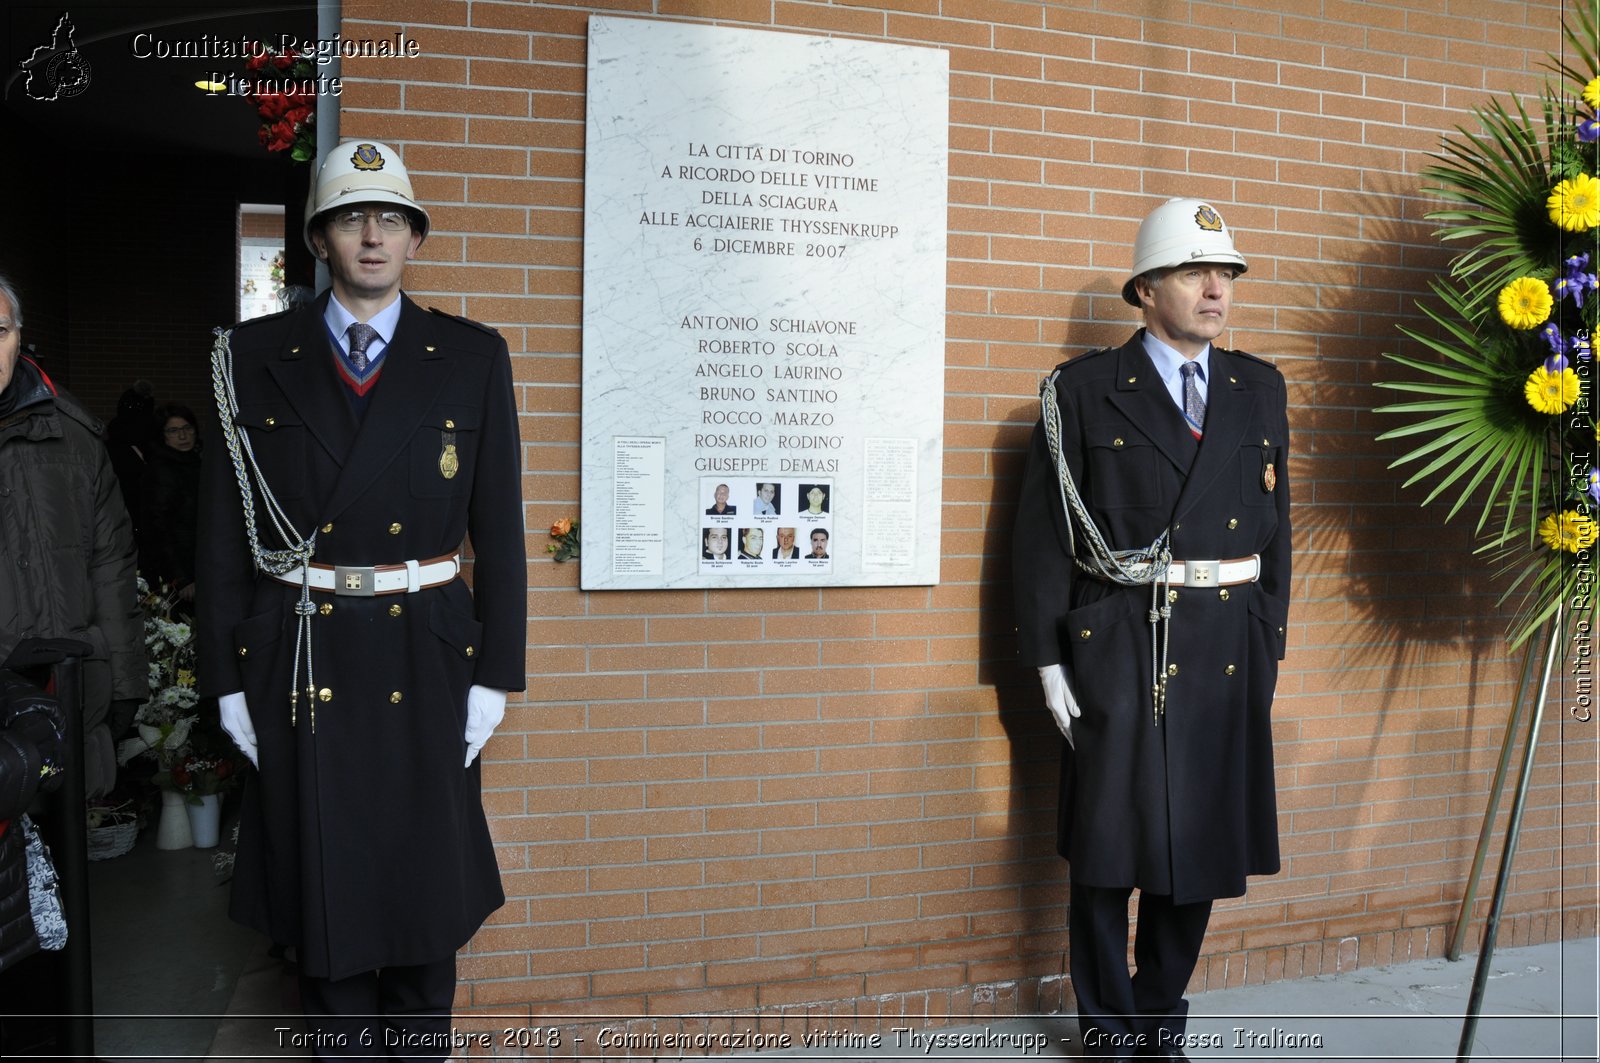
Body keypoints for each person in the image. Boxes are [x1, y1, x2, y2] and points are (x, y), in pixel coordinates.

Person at [195, 140, 526, 1059]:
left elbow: (498, 528)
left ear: (415, 239)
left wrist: (496, 674)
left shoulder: (469, 355)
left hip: (426, 656)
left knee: (423, 910)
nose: (372, 235)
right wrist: (226, 680)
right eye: (351, 216)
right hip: (304, 658)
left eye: (391, 218)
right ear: (320, 239)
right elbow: (223, 536)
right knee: (325, 916)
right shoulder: (250, 358)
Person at [1010, 198, 1291, 1061]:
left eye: (1227, 274)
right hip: (1121, 642)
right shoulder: (1083, 390)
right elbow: (1043, 537)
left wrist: (1267, 640)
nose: (1216, 288)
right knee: (1107, 848)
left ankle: (1159, 1021)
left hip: (1224, 649)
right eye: (1194, 273)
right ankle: (1107, 1032)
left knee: (1198, 844)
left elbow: (1278, 535)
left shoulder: (1259, 386)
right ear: (1146, 290)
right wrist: (1051, 660)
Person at [0, 273, 145, 799]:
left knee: (63, 872)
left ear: (19, 335)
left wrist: (126, 681)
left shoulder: (74, 434)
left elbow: (111, 563)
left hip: (69, 697)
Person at [139, 403, 202, 603]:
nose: (183, 436)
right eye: (173, 431)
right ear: (162, 435)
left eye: (187, 428)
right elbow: (158, 528)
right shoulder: (161, 471)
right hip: (179, 574)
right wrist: (180, 578)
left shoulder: (199, 463)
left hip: (201, 564)